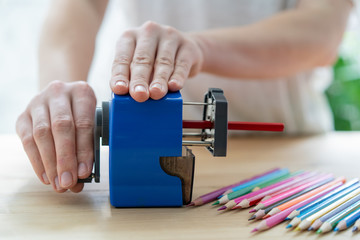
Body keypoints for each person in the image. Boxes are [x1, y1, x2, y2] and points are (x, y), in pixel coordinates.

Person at [15, 0, 353, 193]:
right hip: (143, 146)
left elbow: (324, 28)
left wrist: (201, 48)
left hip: (290, 158)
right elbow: (81, 6)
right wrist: (62, 93)